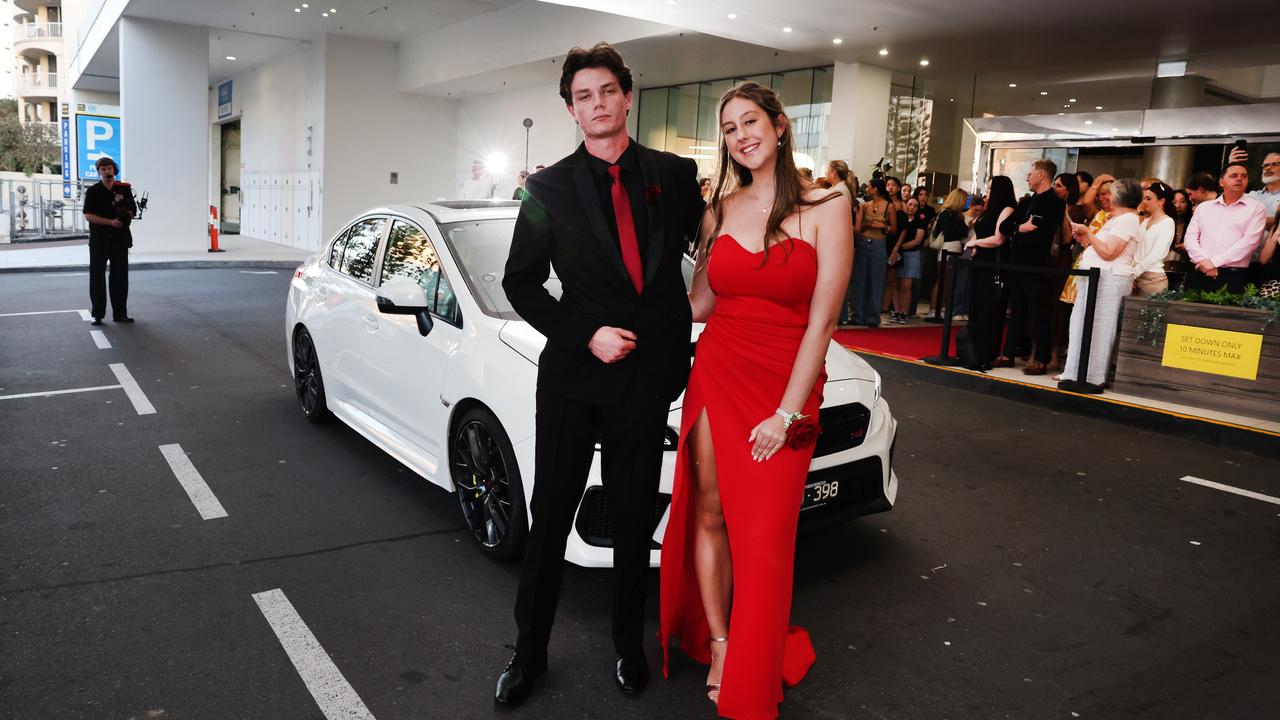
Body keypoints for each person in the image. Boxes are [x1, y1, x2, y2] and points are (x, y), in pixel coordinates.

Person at [496, 42, 704, 706]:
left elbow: (720, 252)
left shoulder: (675, 176)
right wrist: (586, 333)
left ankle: (626, 646)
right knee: (550, 514)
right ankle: (529, 654)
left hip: (644, 379)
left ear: (626, 96)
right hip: (572, 378)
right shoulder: (545, 188)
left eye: (607, 91)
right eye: (583, 96)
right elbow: (519, 284)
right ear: (571, 110)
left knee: (632, 513)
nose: (597, 104)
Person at [660, 80, 851, 719]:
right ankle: (720, 643)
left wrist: (787, 413)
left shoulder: (830, 205)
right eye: (730, 128)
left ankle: (753, 662)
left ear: (778, 124)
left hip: (785, 385)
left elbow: (823, 322)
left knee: (765, 537)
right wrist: (632, 296)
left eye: (750, 121)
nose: (741, 135)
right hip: (717, 370)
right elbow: (701, 306)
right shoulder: (719, 210)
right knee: (710, 513)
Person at [1058, 179, 1143, 388]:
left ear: (1119, 197)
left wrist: (1088, 234)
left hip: (1109, 279)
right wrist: (1085, 239)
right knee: (1080, 324)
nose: (1107, 197)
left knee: (1101, 327)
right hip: (1096, 277)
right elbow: (1101, 247)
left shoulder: (1128, 220)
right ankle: (1075, 373)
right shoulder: (1116, 219)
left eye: (1111, 193)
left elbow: (1108, 252)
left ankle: (1093, 378)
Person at [993, 159, 1066, 375]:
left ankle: (1041, 358)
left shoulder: (1054, 201)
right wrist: (1020, 229)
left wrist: (1019, 231)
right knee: (1016, 310)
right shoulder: (1027, 202)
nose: (1027, 177)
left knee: (1039, 311)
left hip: (1037, 264)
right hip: (1017, 263)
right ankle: (1008, 353)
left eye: (1030, 173)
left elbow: (1041, 234)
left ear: (1041, 175)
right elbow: (1005, 226)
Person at [1182, 162, 1268, 294]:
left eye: (1244, 176)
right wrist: (1203, 261)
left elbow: (1250, 242)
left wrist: (1214, 262)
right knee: (1188, 313)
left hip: (1233, 274)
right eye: (1234, 175)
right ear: (1222, 182)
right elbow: (1190, 238)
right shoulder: (1204, 207)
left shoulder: (1257, 207)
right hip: (1200, 269)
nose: (1239, 179)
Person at [962, 176, 1018, 371]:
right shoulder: (989, 210)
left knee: (990, 308)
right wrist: (976, 244)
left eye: (991, 187)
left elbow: (998, 239)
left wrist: (975, 243)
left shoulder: (1007, 209)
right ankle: (973, 351)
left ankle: (987, 352)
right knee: (976, 306)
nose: (988, 190)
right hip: (980, 260)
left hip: (993, 263)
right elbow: (980, 232)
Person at [82, 156, 136, 325]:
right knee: (97, 277)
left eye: (109, 168)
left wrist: (126, 214)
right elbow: (88, 215)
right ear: (99, 172)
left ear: (114, 170)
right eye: (103, 169)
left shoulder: (124, 189)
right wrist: (110, 222)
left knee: (120, 277)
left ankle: (120, 313)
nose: (107, 171)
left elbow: (133, 211)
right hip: (99, 240)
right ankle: (97, 314)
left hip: (120, 239)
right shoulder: (93, 191)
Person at [1048, 172, 1086, 371]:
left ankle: (1055, 353)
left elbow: (1066, 239)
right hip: (1047, 260)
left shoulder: (1077, 211)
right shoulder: (1049, 206)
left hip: (1064, 261)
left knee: (1059, 309)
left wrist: (1063, 211)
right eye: (1054, 184)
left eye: (1059, 185)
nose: (1055, 188)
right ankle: (1039, 349)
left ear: (1069, 190)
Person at [849, 179, 894, 326]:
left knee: (876, 280)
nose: (867, 189)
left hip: (879, 242)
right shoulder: (864, 205)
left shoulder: (889, 206)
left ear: (876, 189)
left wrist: (884, 226)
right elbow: (858, 226)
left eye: (869, 187)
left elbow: (894, 229)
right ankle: (858, 315)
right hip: (863, 241)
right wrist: (870, 224)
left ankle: (873, 317)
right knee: (859, 280)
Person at [1133, 181, 1176, 295]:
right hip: (1136, 275)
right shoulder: (1145, 222)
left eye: (1148, 199)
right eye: (1144, 198)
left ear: (1161, 201)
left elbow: (1157, 254)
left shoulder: (1167, 222)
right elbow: (1136, 247)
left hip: (1153, 279)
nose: (1144, 202)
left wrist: (1134, 273)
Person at [931, 188, 970, 316]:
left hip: (956, 248)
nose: (965, 202)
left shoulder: (957, 215)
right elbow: (950, 232)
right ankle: (934, 309)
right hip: (947, 248)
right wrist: (961, 229)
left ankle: (942, 307)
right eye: (964, 199)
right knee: (942, 280)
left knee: (949, 282)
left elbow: (963, 232)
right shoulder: (945, 213)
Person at [889, 197, 926, 323]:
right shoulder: (900, 219)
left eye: (915, 206)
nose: (912, 207)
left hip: (911, 254)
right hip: (897, 254)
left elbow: (918, 240)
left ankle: (905, 312)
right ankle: (897, 310)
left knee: (906, 286)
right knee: (895, 283)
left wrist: (900, 246)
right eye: (910, 204)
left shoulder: (920, 221)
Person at [1250, 152, 1280, 232]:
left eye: (1274, 164)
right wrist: (1233, 165)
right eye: (1265, 165)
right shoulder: (1252, 195)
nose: (1267, 168)